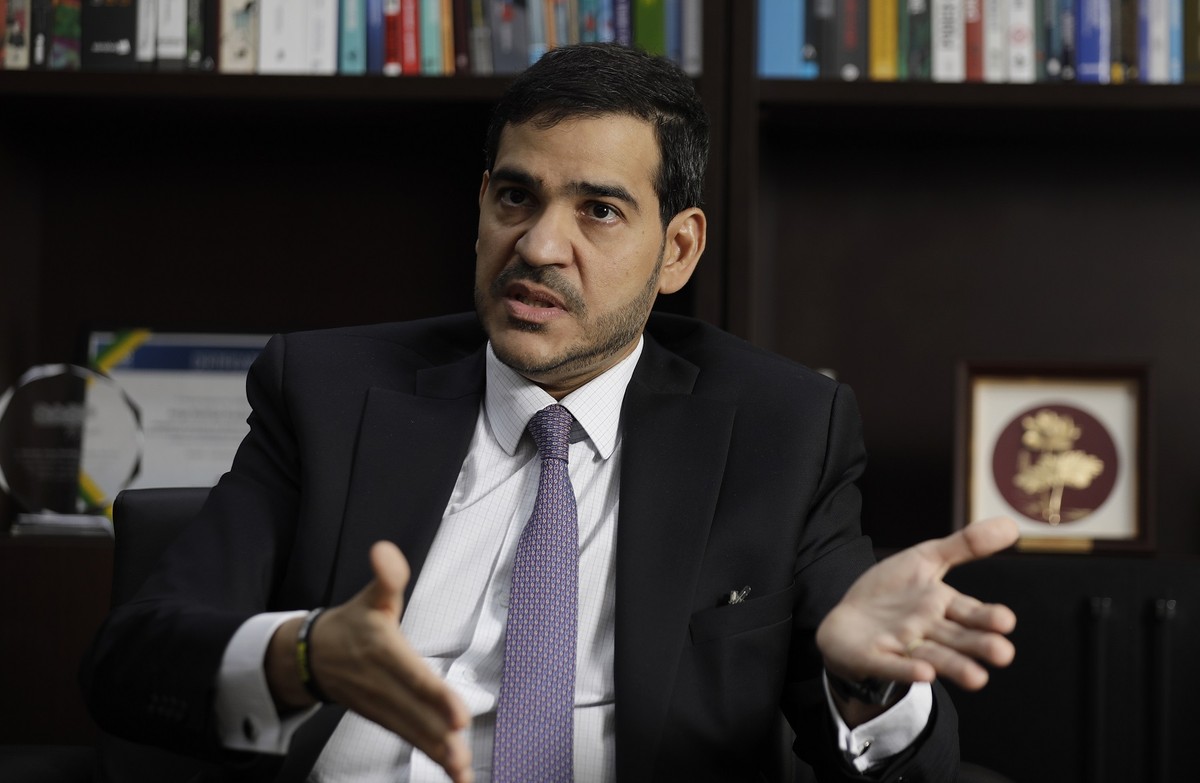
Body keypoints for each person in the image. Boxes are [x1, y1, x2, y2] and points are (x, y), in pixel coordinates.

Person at [81, 43, 1017, 782]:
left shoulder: (783, 430)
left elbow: (910, 767)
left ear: (678, 250)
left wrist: (868, 680)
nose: (537, 246)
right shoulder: (326, 390)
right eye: (515, 196)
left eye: (598, 210)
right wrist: (306, 655)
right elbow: (133, 662)